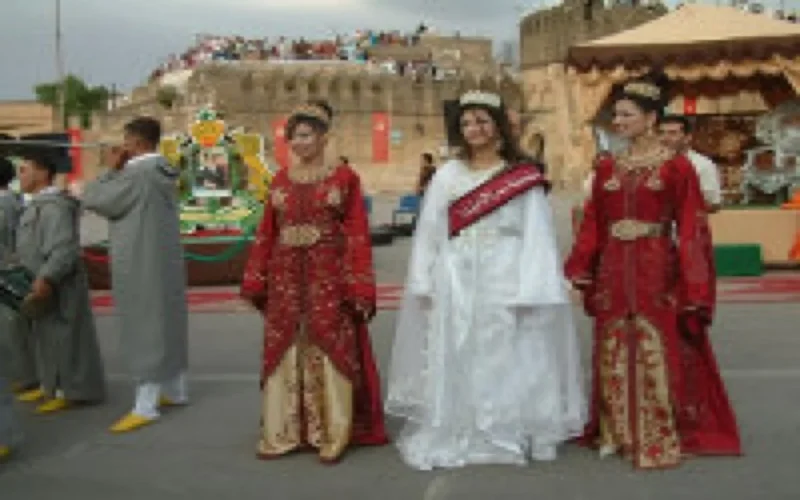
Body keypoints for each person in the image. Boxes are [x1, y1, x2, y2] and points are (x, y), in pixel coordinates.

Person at [385, 90, 586, 471]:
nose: (473, 129)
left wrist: (536, 285)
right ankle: (462, 424)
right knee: (458, 345)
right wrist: (423, 279)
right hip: (457, 271)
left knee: (507, 346)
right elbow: (430, 230)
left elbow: (537, 232)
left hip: (506, 268)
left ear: (497, 126)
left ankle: (506, 427)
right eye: (466, 123)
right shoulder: (448, 174)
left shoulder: (521, 175)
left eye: (481, 121)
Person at [565, 74, 741, 469]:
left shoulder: (677, 168)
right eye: (617, 115)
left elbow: (693, 227)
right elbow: (593, 220)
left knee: (656, 342)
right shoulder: (608, 166)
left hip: (656, 262)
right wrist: (582, 266)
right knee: (613, 342)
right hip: (613, 265)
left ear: (650, 119)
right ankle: (616, 430)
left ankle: (656, 430)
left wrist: (695, 285)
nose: (619, 122)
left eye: (627, 115)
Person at [240, 101, 387, 463]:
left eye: (306, 135)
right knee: (286, 348)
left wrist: (359, 284)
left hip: (328, 275)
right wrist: (256, 278)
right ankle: (286, 432)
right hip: (286, 276)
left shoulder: (344, 179)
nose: (299, 143)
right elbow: (266, 233)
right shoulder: (280, 180)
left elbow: (356, 233)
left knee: (329, 346)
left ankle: (330, 432)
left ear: (323, 138)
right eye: (293, 137)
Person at [82, 117, 189, 433]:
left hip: (140, 260)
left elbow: (95, 199)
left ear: (136, 142)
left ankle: (146, 403)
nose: (123, 146)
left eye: (126, 141)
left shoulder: (137, 173)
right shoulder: (162, 170)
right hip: (161, 259)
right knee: (166, 320)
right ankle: (175, 389)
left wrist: (110, 169)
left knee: (143, 325)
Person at [13, 151, 106, 414]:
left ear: (42, 173)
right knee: (47, 337)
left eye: (24, 170)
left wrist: (48, 276)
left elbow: (62, 248)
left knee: (65, 337)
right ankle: (50, 385)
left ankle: (72, 389)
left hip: (57, 283)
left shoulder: (54, 207)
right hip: (38, 280)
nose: (20, 176)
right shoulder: (38, 205)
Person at [659, 115, 723, 213]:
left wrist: (682, 201)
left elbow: (714, 204)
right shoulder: (651, 162)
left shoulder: (702, 165)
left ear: (687, 137)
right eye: (661, 133)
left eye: (672, 133)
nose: (665, 138)